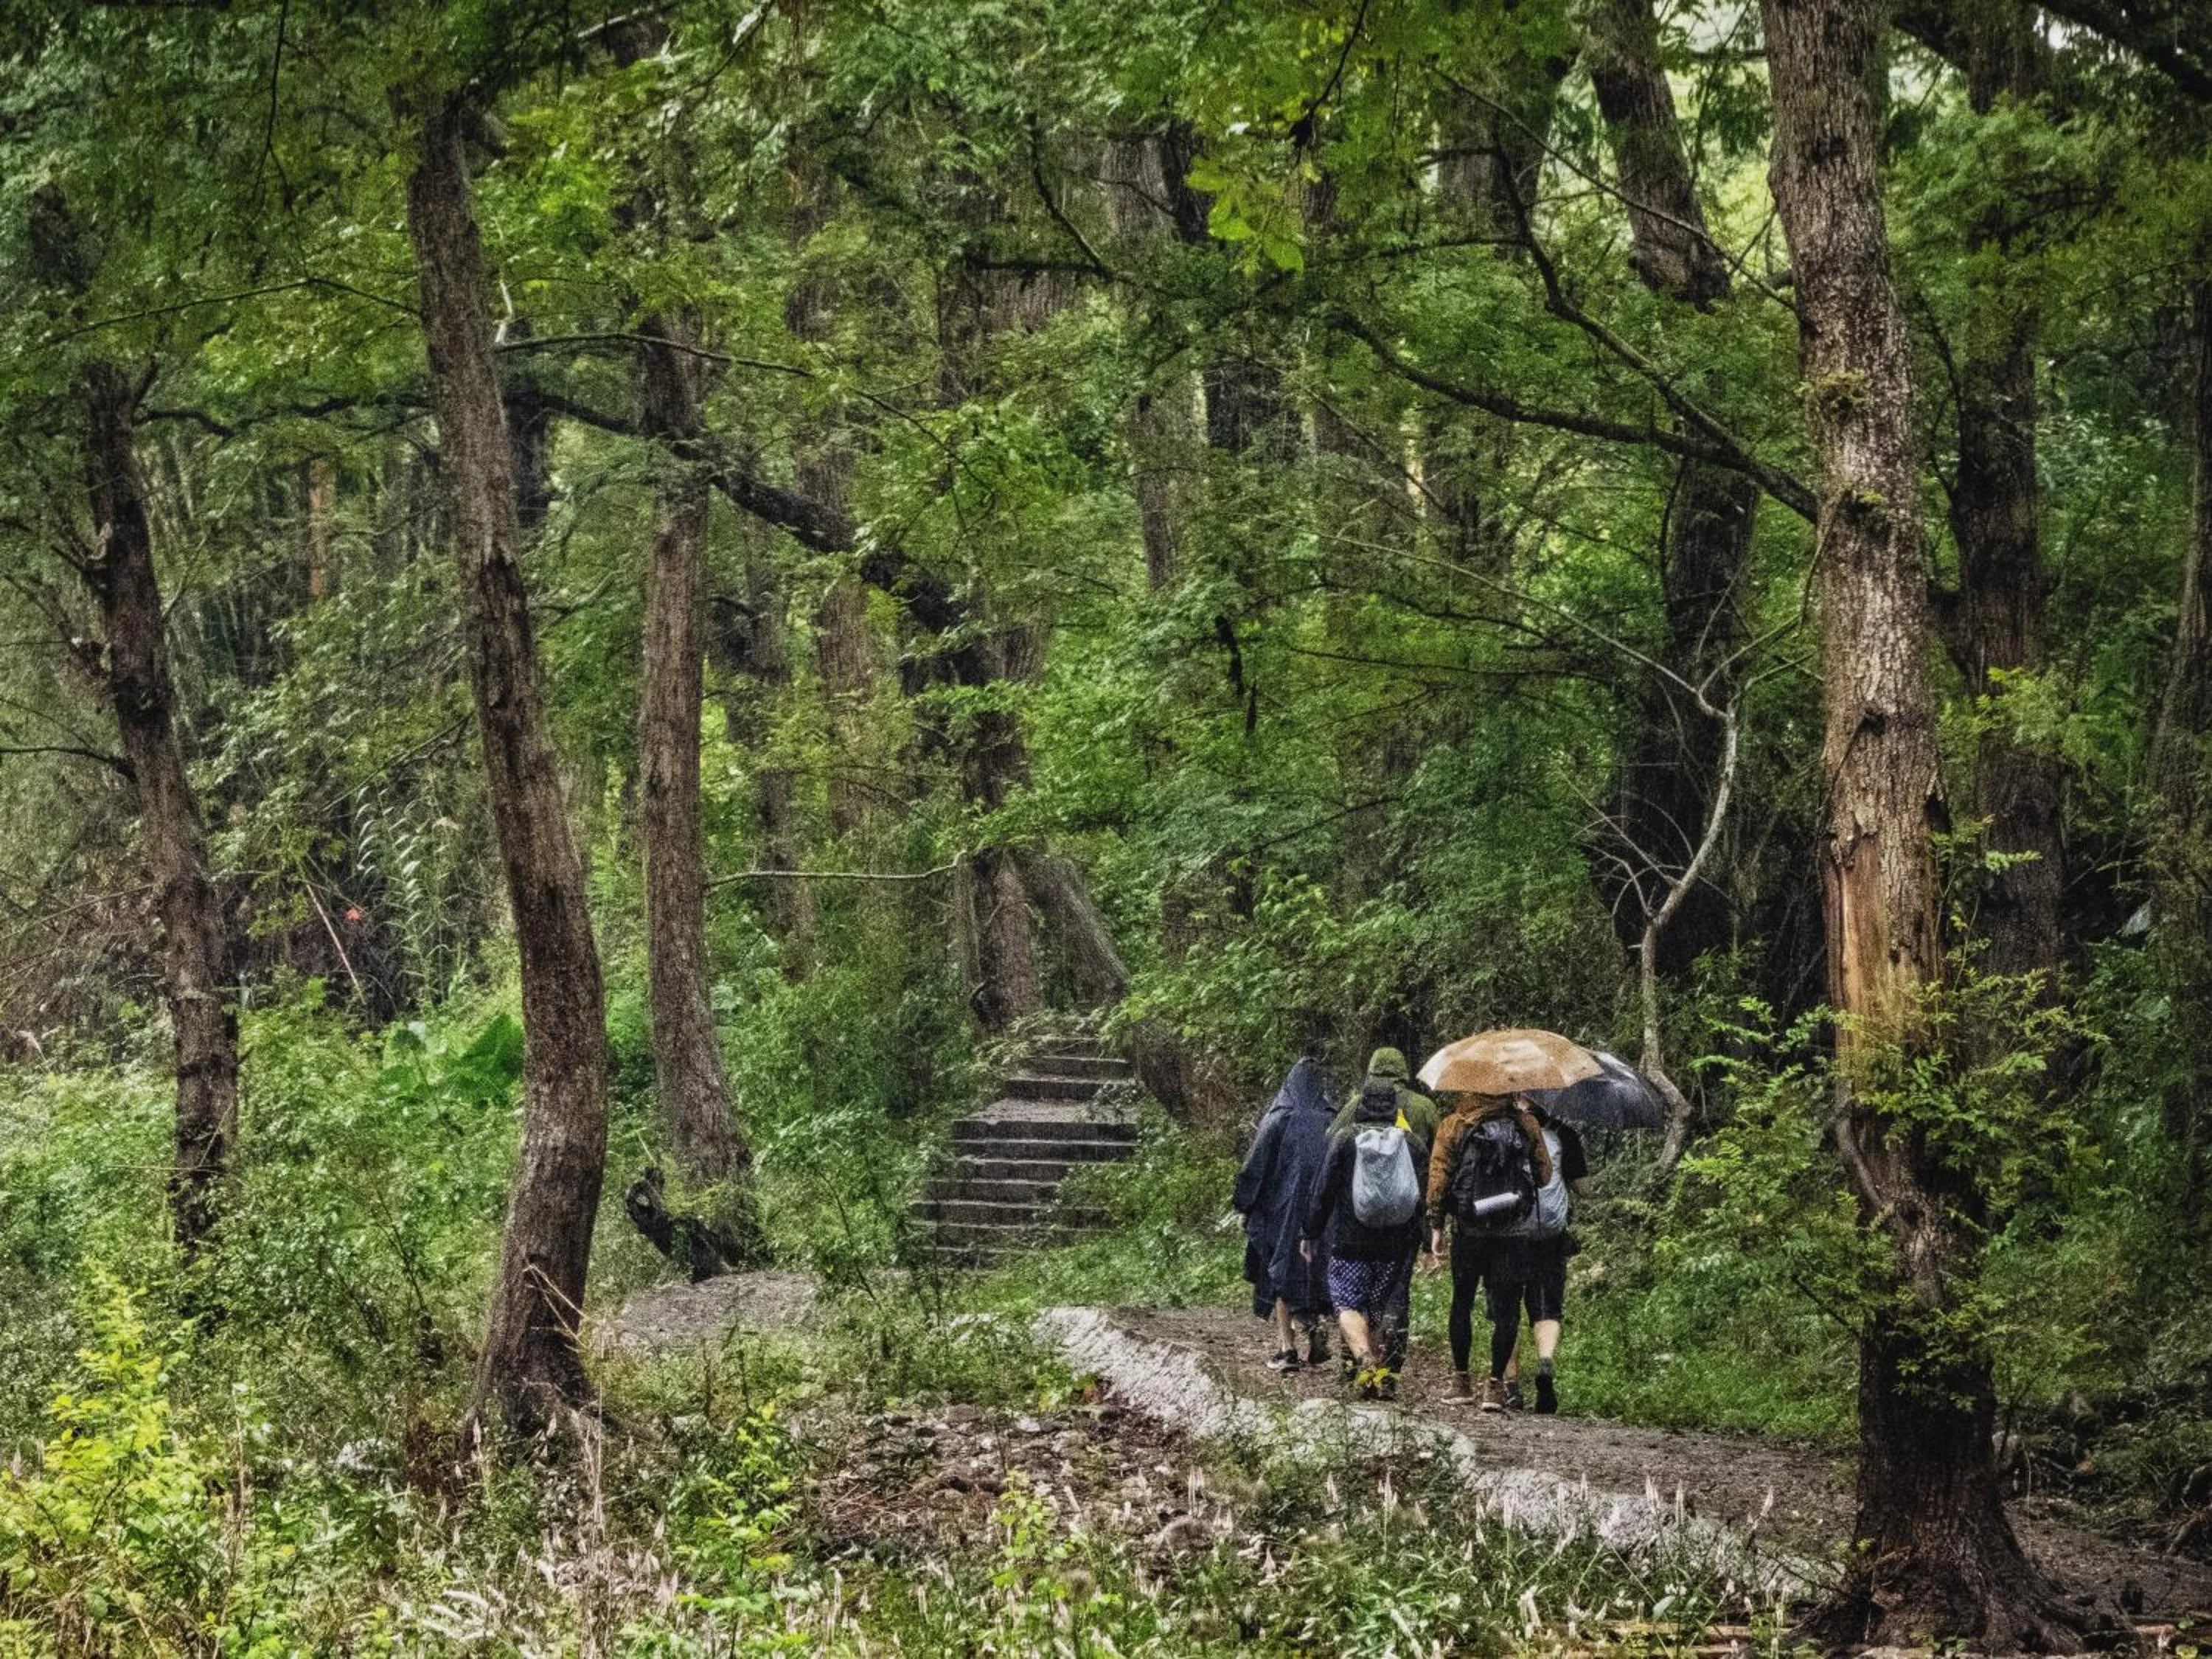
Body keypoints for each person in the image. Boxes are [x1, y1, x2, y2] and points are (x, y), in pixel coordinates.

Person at [1299, 1075, 1426, 1398]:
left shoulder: (1345, 1139)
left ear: (1362, 1105)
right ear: (1395, 1109)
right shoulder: (1412, 1144)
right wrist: (1425, 1239)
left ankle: (1365, 1360)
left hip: (1351, 1242)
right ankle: (1386, 1375)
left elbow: (1323, 1190)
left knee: (1346, 1303)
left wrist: (1311, 1232)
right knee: (1386, 1306)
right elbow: (1423, 1196)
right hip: (1397, 1244)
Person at [1426, 1089, 1553, 1411]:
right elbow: (1544, 1176)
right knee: (1507, 1309)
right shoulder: (1526, 1124)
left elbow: (1439, 1180)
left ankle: (1461, 1382)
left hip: (1470, 1231)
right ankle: (1495, 1387)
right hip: (1513, 1232)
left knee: (1462, 1302)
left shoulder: (1454, 1124)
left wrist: (1436, 1227)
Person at [1233, 1057, 1335, 1371]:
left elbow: (1256, 1166)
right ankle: (1315, 1331)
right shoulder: (1332, 1120)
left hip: (1283, 1210)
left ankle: (1287, 1347)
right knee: (1316, 1269)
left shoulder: (1279, 1119)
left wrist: (1244, 1203)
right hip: (1323, 1213)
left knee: (1281, 1272)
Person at [1498, 1102, 1593, 1413]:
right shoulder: (1564, 1135)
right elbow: (1585, 1189)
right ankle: (1545, 1361)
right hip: (1550, 1235)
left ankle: (1510, 1387)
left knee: (1507, 1310)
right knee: (1547, 1308)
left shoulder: (1503, 1130)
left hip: (1508, 1234)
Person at [1328, 1046, 1439, 1156]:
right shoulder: (1425, 1106)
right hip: (1410, 1172)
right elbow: (1440, 1149)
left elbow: (1331, 1138)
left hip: (1361, 1172)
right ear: (1403, 1071)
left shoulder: (1358, 1102)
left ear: (1371, 1071)